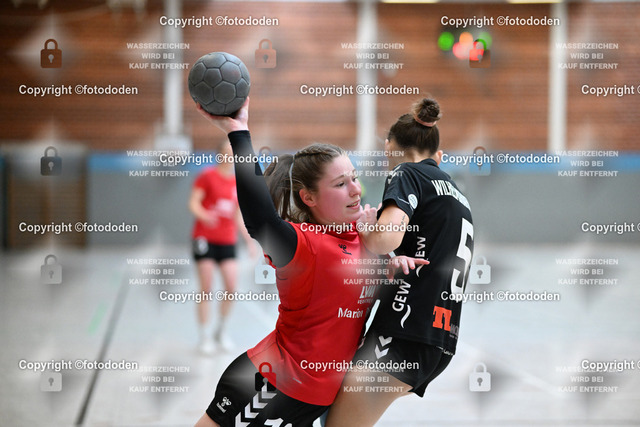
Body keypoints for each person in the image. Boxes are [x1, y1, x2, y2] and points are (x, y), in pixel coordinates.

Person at [193, 99, 428, 427]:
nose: (355, 190)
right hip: (269, 384)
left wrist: (393, 261)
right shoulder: (305, 244)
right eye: (340, 184)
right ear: (309, 198)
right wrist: (239, 134)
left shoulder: (366, 240)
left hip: (315, 399)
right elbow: (261, 220)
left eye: (354, 178)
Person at [325, 98, 474, 426]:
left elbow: (386, 238)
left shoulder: (407, 173)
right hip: (440, 340)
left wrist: (367, 230)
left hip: (404, 335)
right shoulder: (457, 195)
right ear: (438, 156)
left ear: (390, 147)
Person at [189, 143, 255, 354]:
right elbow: (194, 203)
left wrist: (249, 241)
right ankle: (204, 336)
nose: (229, 157)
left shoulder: (236, 183)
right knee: (206, 286)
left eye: (232, 154)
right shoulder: (207, 176)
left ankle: (220, 331)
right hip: (204, 239)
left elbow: (237, 215)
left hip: (227, 240)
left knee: (231, 287)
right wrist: (204, 215)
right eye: (226, 153)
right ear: (219, 155)